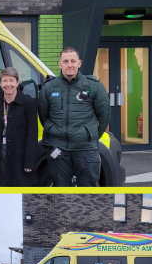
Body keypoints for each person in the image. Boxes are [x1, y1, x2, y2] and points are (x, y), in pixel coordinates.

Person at [37, 47, 110, 187]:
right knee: (61, 191)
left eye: (73, 61)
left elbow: (104, 116)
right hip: (58, 149)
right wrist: (55, 131)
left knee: (87, 192)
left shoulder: (94, 86)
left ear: (79, 63)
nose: (69, 65)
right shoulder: (49, 88)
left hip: (86, 149)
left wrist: (89, 134)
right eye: (65, 61)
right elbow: (43, 115)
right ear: (59, 64)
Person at [0, 67, 39, 187]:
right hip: (0, 157)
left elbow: (32, 134)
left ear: (17, 82)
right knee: (2, 192)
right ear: (0, 83)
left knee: (20, 195)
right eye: (4, 81)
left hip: (20, 157)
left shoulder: (28, 103)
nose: (8, 84)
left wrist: (30, 162)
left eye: (11, 80)